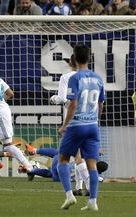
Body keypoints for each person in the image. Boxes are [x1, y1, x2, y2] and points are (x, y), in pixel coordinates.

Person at [57, 44, 105, 211]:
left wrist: (64, 126)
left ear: (75, 58)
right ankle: (93, 202)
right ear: (89, 58)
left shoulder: (75, 78)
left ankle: (70, 196)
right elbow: (100, 104)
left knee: (62, 160)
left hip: (77, 125)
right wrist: (95, 120)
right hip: (93, 126)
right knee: (91, 164)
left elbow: (73, 104)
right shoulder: (98, 78)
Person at [50, 54, 90, 197]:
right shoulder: (90, 77)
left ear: (70, 63)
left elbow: (61, 98)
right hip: (88, 117)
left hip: (73, 119)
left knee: (72, 156)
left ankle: (90, 184)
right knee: (79, 154)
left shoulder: (66, 77)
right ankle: (79, 187)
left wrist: (53, 98)